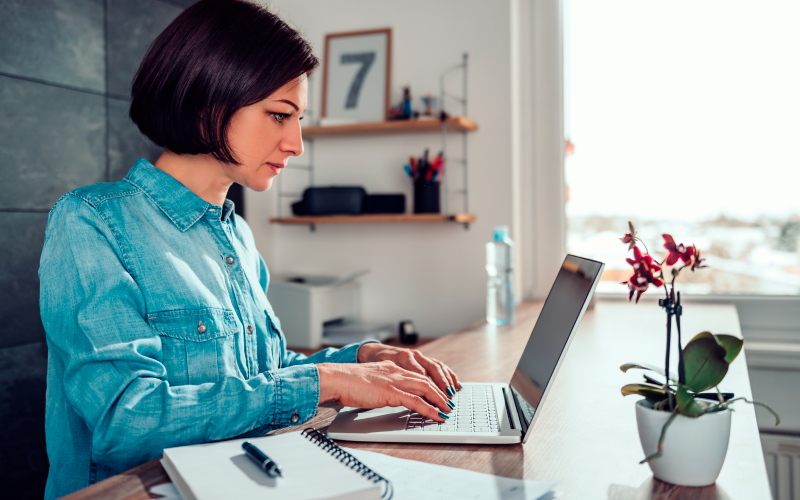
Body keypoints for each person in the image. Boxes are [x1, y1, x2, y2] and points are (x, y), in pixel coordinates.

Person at [38, 1, 459, 498]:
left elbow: (263, 373)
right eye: (280, 115)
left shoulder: (235, 233)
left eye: (299, 119)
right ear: (206, 101)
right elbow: (127, 420)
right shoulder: (91, 222)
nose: (297, 144)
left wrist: (363, 358)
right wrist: (326, 379)